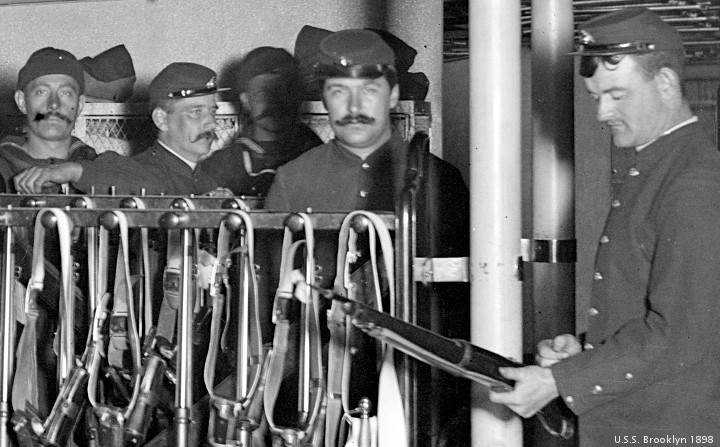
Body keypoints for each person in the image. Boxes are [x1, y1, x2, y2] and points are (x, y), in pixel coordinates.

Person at [489, 7, 720, 444]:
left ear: (665, 83)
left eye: (616, 94)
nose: (601, 112)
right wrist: (587, 348)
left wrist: (559, 381)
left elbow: (682, 334)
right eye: (596, 96)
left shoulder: (694, 183)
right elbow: (648, 307)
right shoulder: (659, 166)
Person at [264, 28, 470, 445]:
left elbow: (461, 310)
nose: (354, 107)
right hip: (317, 396)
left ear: (392, 96)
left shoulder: (439, 181)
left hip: (418, 393)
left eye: (369, 91)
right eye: (339, 91)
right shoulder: (291, 181)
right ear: (323, 99)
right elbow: (274, 304)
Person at [13, 62, 226, 196]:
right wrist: (72, 170)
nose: (211, 123)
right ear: (161, 119)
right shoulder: (144, 171)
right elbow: (124, 175)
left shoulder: (206, 182)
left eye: (212, 112)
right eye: (196, 112)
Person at [201, 46, 322, 196]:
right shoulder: (222, 166)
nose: (274, 102)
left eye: (283, 92)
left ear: (297, 96)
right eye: (262, 93)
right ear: (245, 100)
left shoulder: (320, 154)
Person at [0, 47, 96, 193]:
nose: (54, 104)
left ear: (80, 105)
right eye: (41, 92)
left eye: (66, 93)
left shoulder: (99, 171)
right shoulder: (3, 169)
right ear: (21, 102)